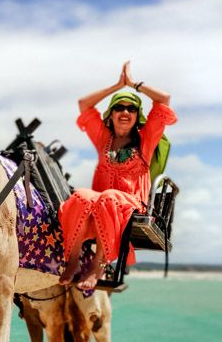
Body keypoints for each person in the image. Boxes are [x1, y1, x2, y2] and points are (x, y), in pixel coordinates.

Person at [58, 61, 177, 289]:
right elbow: (84, 104)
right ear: (110, 114)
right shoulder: (104, 138)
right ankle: (72, 260)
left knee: (109, 197)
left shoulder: (146, 139)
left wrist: (134, 85)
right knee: (82, 195)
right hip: (102, 202)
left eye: (131, 108)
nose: (125, 112)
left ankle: (98, 266)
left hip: (132, 204)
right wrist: (116, 86)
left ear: (137, 115)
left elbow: (164, 99)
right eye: (119, 108)